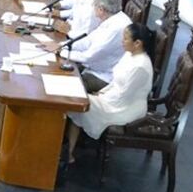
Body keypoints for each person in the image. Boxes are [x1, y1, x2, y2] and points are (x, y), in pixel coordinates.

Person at [65, 24, 154, 163]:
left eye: (125, 39)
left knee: (78, 102)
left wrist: (99, 99)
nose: (122, 42)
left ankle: (67, 151)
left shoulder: (141, 67)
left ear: (137, 43)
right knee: (77, 100)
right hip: (112, 98)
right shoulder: (129, 54)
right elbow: (115, 81)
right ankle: (68, 151)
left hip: (123, 108)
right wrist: (101, 93)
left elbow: (124, 96)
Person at [49, 0, 130, 92]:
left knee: (60, 86)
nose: (93, 8)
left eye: (93, 5)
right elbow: (87, 41)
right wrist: (61, 45)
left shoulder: (117, 28)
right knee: (55, 70)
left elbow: (89, 56)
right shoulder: (111, 19)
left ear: (101, 9)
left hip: (104, 77)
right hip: (94, 67)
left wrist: (62, 51)